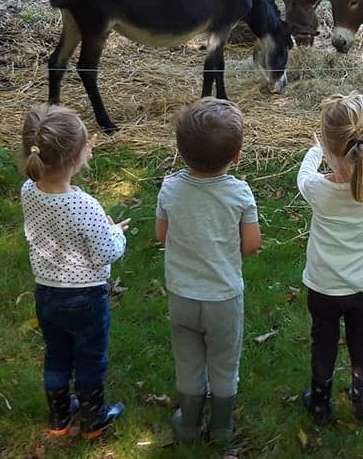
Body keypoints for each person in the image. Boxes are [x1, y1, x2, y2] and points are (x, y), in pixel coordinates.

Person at [19, 104, 131, 440]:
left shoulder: (29, 191)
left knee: (56, 356)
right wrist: (116, 232)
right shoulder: (83, 205)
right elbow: (106, 252)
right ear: (76, 157)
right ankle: (94, 419)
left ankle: (59, 418)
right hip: (85, 297)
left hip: (47, 293)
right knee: (89, 357)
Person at [155, 97, 261, 444]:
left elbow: (162, 236)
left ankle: (187, 423)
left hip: (182, 294)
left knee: (188, 361)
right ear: (236, 156)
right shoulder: (240, 194)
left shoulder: (170, 188)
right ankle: (221, 427)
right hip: (223, 297)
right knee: (224, 361)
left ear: (181, 152)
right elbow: (251, 245)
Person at [296, 93, 363, 425]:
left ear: (328, 146)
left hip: (323, 288)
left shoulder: (316, 189)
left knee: (323, 341)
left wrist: (315, 151)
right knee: (361, 337)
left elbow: (304, 173)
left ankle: (320, 403)